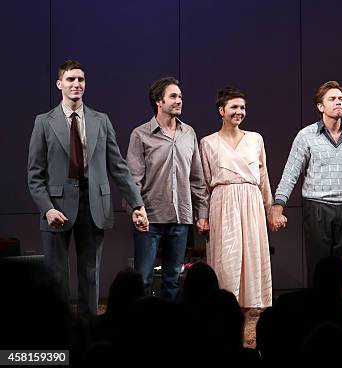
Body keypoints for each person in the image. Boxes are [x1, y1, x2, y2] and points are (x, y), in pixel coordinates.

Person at [27, 60, 148, 317]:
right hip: (56, 208)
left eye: (80, 79)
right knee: (56, 276)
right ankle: (59, 331)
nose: (76, 84)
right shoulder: (44, 122)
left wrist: (137, 204)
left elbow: (118, 167)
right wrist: (47, 209)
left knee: (90, 274)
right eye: (70, 79)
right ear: (59, 84)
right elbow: (35, 176)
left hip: (93, 204)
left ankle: (87, 330)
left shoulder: (100, 120)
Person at [268, 80, 342, 287]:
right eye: (332, 99)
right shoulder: (306, 136)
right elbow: (291, 173)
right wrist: (278, 206)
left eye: (341, 99)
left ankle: (339, 313)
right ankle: (317, 313)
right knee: (319, 265)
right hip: (317, 207)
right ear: (321, 107)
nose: (338, 103)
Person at [126, 77, 208, 302]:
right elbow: (133, 178)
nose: (179, 100)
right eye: (173, 96)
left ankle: (168, 329)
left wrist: (202, 214)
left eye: (180, 96)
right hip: (149, 218)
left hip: (180, 217)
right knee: (143, 279)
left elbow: (197, 178)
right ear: (158, 101)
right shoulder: (140, 134)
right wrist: (135, 209)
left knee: (173, 278)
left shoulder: (188, 133)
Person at [199, 87, 273, 308]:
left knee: (251, 256)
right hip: (223, 204)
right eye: (234, 107)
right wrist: (202, 216)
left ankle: (249, 306)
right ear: (222, 110)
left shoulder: (255, 139)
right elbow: (203, 184)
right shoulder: (208, 142)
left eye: (242, 107)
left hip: (251, 204)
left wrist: (271, 211)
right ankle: (224, 307)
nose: (239, 111)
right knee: (226, 260)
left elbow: (263, 178)